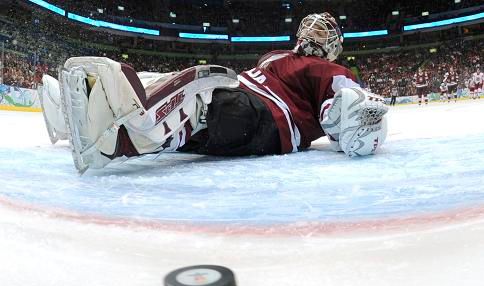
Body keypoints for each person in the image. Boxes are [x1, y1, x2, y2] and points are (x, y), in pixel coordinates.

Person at [40, 13, 388, 173]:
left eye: (322, 34)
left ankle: (121, 133)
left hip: (265, 116)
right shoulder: (279, 56)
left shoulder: (331, 71)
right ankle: (88, 121)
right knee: (174, 91)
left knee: (199, 94)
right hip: (246, 109)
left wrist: (364, 120)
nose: (314, 35)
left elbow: (348, 109)